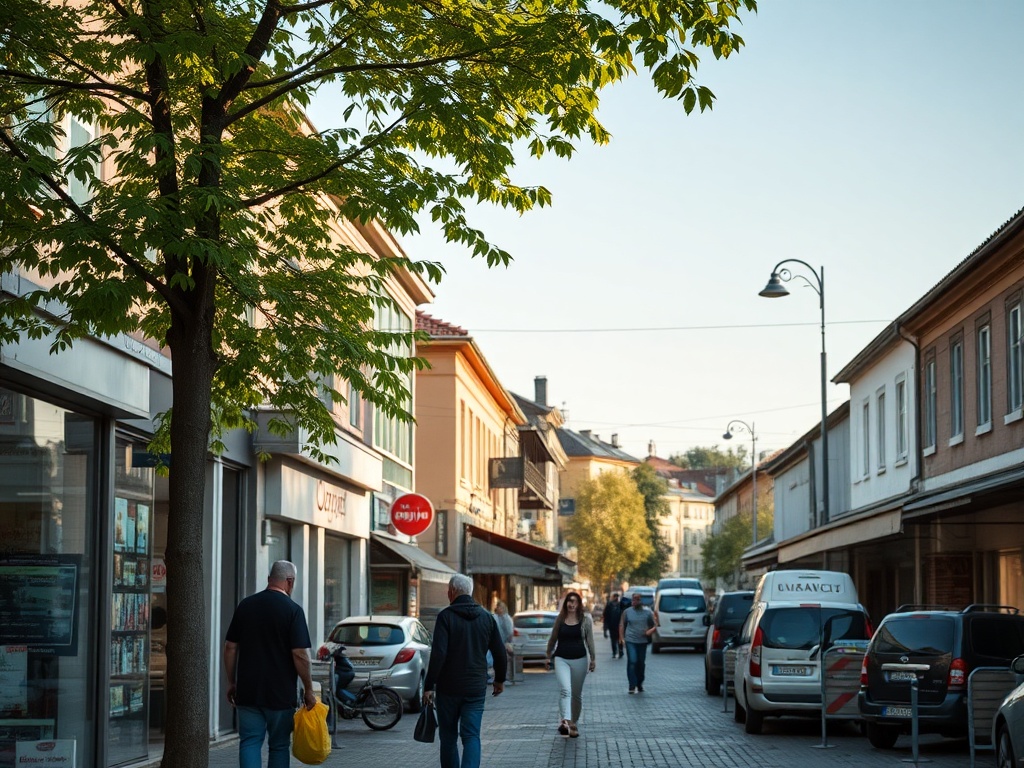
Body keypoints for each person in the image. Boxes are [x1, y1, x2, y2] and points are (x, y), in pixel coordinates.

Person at [223, 560, 316, 768]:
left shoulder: (246, 606)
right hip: (280, 693)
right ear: (290, 582)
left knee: (249, 742)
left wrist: (231, 681)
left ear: (269, 580)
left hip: (248, 690)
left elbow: (230, 647)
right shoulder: (293, 610)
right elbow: (300, 654)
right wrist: (308, 688)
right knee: (279, 745)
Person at [423, 574, 506, 768]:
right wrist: (499, 680)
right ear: (470, 592)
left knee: (449, 737)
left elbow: (439, 654)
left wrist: (429, 686)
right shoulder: (487, 617)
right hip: (475, 688)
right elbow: (500, 653)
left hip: (448, 688)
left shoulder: (446, 617)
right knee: (471, 736)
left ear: (451, 592)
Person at [544, 591, 596, 738]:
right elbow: (553, 639)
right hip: (561, 658)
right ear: (566, 603)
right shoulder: (560, 619)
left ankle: (574, 722)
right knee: (565, 690)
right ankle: (566, 721)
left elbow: (589, 640)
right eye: (569, 601)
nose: (571, 604)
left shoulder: (585, 620)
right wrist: (548, 656)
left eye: (574, 602)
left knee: (576, 695)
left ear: (579, 604)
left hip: (580, 659)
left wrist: (593, 658)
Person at [619, 591, 656, 694]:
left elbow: (654, 625)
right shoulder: (627, 612)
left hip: (642, 641)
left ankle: (639, 683)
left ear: (641, 601)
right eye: (633, 599)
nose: (634, 601)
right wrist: (621, 638)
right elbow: (622, 624)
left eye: (636, 599)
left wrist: (650, 631)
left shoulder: (647, 613)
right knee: (632, 661)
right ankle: (631, 685)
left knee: (640, 663)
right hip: (630, 640)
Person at [602, 593, 624, 658]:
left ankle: (620, 651)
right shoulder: (609, 605)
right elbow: (606, 616)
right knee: (613, 640)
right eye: (615, 596)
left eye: (617, 596)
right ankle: (614, 652)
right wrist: (605, 629)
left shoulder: (620, 605)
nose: (616, 598)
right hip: (612, 626)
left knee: (620, 639)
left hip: (620, 625)